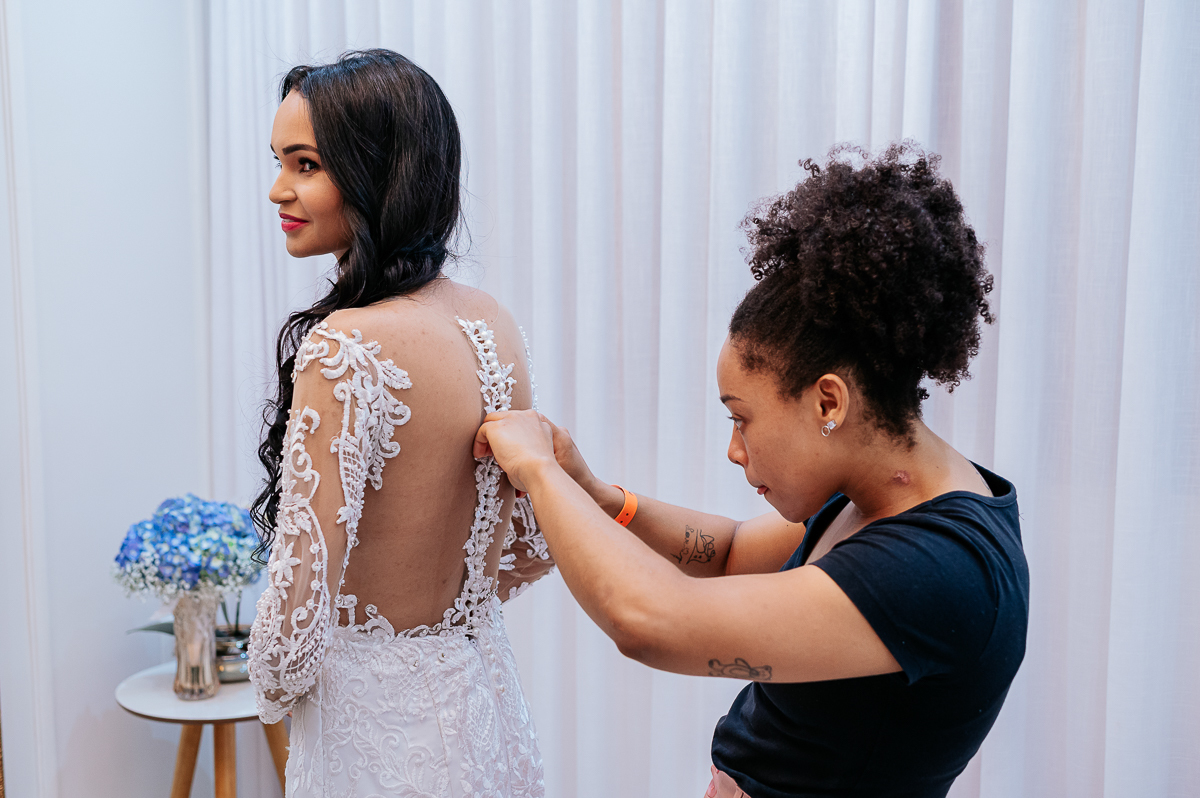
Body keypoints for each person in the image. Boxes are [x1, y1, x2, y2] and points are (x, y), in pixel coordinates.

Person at [474, 143, 1029, 798]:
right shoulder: (885, 494)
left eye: (741, 418)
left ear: (829, 401)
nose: (734, 450)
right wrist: (598, 497)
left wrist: (538, 471)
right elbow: (734, 551)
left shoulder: (939, 569)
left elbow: (652, 622)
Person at [246, 50, 552, 797]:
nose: (278, 189)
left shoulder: (347, 345)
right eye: (280, 161)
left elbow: (292, 627)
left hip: (375, 736)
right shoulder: (492, 321)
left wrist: (282, 685)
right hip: (483, 703)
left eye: (307, 164)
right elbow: (531, 546)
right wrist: (442, 630)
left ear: (381, 171)